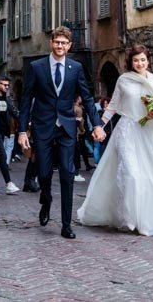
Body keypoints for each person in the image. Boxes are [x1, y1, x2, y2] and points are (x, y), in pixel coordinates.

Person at [77, 43, 153, 235]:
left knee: (151, 174)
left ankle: (146, 218)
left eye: (143, 59)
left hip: (149, 131)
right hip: (127, 130)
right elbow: (112, 106)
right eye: (136, 60)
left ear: (147, 61)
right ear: (131, 62)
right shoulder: (123, 80)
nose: (139, 63)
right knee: (131, 174)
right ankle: (129, 217)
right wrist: (99, 125)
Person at [17, 27, 106, 239]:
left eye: (63, 43)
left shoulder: (75, 68)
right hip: (43, 126)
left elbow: (87, 98)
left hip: (67, 128)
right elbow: (26, 99)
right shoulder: (37, 67)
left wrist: (96, 125)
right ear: (51, 43)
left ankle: (66, 224)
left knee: (68, 173)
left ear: (69, 45)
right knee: (44, 173)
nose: (59, 46)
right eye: (56, 42)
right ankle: (45, 200)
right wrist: (22, 131)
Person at [73, 96, 95, 180]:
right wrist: (83, 130)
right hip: (78, 133)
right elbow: (81, 121)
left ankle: (78, 170)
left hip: (72, 133)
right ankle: (76, 173)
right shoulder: (79, 109)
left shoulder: (71, 107)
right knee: (78, 153)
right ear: (77, 99)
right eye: (80, 98)